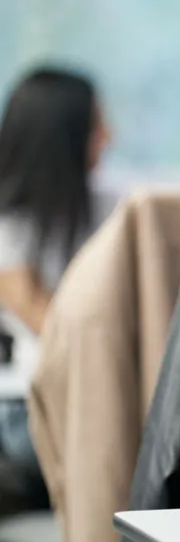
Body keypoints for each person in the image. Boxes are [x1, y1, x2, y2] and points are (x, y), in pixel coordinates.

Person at [0, 66, 110, 511]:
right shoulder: (9, 231)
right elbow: (55, 331)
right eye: (97, 126)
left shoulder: (104, 209)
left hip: (85, 399)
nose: (109, 136)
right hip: (28, 413)